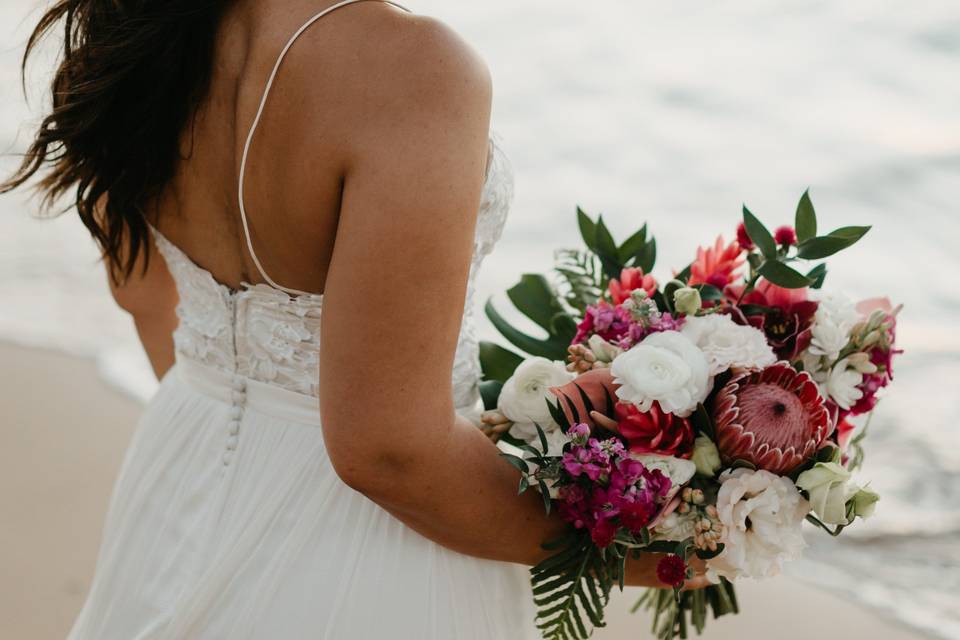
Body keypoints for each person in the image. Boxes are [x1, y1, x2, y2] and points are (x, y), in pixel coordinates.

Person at [1, 0, 705, 637]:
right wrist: (637, 550)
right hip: (365, 541)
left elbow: (146, 298)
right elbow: (388, 451)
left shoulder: (141, 32)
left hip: (178, 462)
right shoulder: (415, 67)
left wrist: (247, 431)